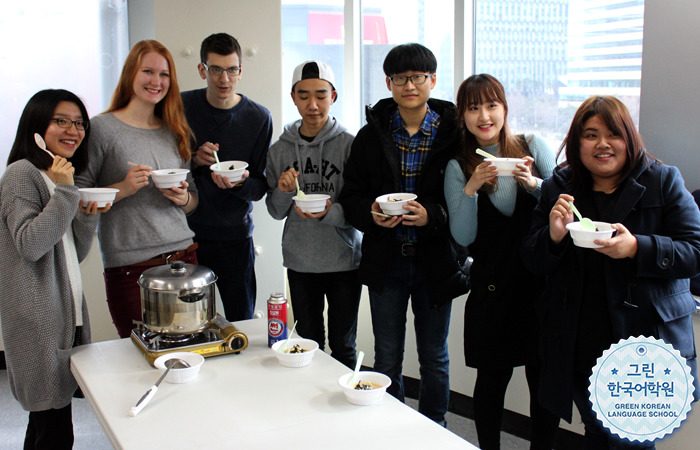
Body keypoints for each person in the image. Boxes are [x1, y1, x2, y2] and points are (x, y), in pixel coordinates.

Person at [522, 95, 700, 449]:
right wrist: (554, 236)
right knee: (597, 432)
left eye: (613, 134)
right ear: (577, 143)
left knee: (632, 440)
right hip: (576, 342)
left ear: (629, 138)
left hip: (644, 344)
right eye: (590, 135)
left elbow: (694, 251)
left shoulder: (662, 181)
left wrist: (637, 248)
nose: (602, 144)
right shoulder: (560, 186)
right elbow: (532, 260)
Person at [339, 43, 467, 425]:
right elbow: (352, 195)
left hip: (436, 260)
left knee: (434, 355)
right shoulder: (371, 134)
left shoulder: (454, 135)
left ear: (432, 80)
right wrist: (371, 214)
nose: (409, 85)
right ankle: (391, 429)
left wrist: (435, 216)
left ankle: (435, 429)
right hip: (387, 260)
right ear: (388, 83)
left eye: (417, 77)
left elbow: (468, 197)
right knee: (388, 355)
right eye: (400, 78)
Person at [443, 74, 560, 449]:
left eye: (491, 105)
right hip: (492, 288)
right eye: (473, 107)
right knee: (492, 382)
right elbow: (463, 237)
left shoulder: (531, 146)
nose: (484, 116)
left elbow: (569, 205)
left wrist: (535, 184)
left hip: (540, 287)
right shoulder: (458, 166)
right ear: (462, 116)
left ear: (505, 109)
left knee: (543, 384)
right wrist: (472, 188)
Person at [0, 89, 110, 449]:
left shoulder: (55, 176)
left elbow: (68, 254)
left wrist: (86, 217)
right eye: (60, 121)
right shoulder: (21, 174)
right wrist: (66, 194)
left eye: (78, 123)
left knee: (52, 423)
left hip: (65, 314)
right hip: (38, 322)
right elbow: (30, 245)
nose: (73, 130)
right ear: (37, 124)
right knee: (52, 427)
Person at [76, 40, 199, 338]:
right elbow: (78, 193)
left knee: (190, 350)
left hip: (185, 256)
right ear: (131, 73)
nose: (156, 81)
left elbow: (193, 199)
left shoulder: (175, 130)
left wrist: (183, 198)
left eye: (164, 74)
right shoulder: (102, 128)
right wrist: (122, 188)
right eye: (148, 71)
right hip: (129, 266)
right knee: (137, 355)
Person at [265, 60, 362, 369]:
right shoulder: (279, 150)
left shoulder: (350, 145)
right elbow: (275, 211)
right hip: (300, 260)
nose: (313, 104)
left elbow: (359, 210)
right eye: (303, 95)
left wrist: (328, 213)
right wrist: (282, 190)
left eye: (321, 95)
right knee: (307, 344)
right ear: (293, 97)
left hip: (343, 260)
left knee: (344, 345)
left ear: (333, 96)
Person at [182, 33, 273, 321]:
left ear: (240, 72)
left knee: (242, 322)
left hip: (236, 236)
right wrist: (194, 159)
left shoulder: (258, 117)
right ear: (202, 70)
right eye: (216, 69)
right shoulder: (181, 108)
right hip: (187, 236)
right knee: (189, 324)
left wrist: (241, 182)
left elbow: (260, 186)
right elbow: (165, 163)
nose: (224, 78)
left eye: (231, 70)